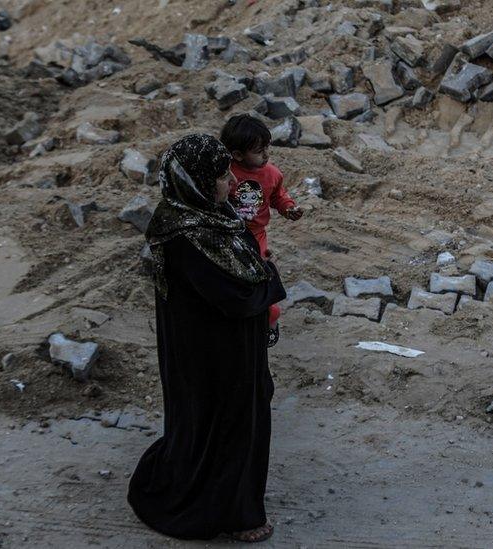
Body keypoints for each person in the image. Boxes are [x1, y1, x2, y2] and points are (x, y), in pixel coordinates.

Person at [127, 134, 286, 543]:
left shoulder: (210, 215)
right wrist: (268, 279)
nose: (232, 184)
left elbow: (249, 269)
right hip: (211, 357)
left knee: (230, 424)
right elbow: (238, 295)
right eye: (221, 177)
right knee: (226, 427)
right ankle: (233, 514)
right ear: (195, 181)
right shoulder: (187, 234)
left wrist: (260, 277)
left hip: (227, 349)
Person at [220, 114, 303, 346]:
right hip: (228, 234)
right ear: (237, 155)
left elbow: (278, 196)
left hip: (256, 236)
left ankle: (270, 320)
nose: (266, 154)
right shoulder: (225, 173)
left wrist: (288, 208)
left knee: (259, 279)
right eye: (259, 151)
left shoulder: (272, 174)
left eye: (267, 147)